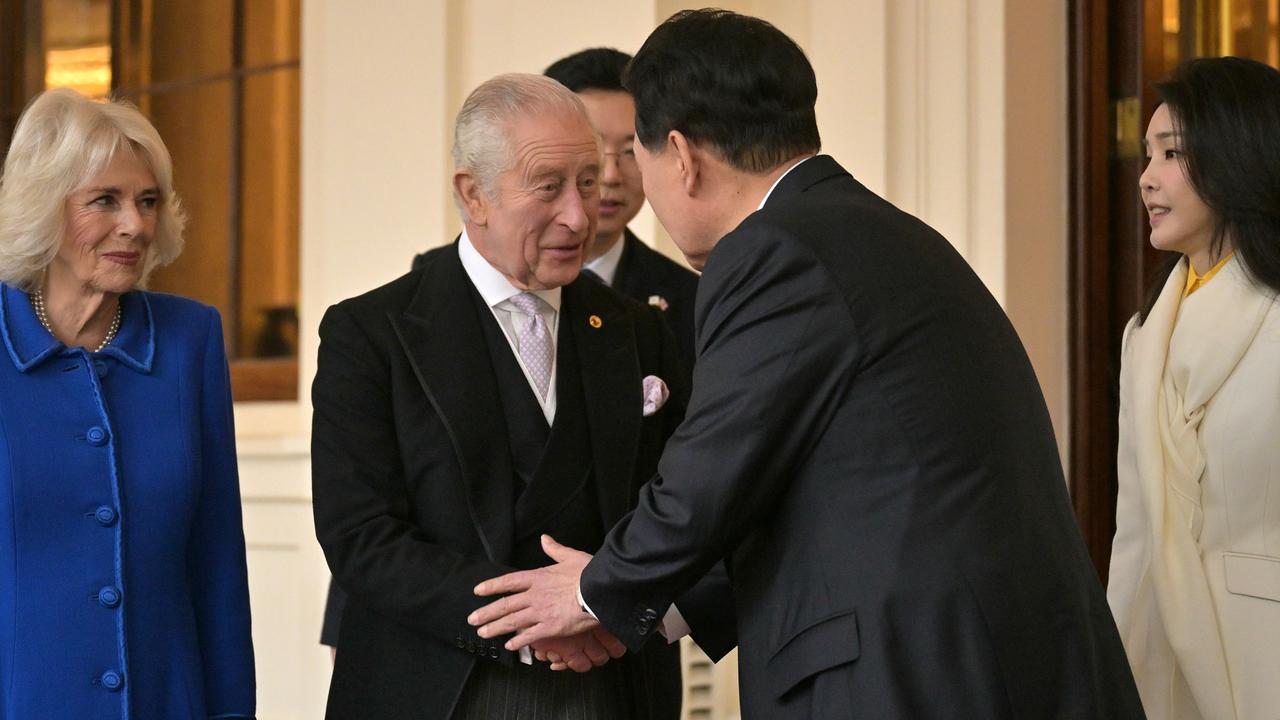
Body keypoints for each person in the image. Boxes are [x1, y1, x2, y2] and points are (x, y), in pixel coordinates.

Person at [469, 10, 1145, 719]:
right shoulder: (872, 231)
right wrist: (652, 606)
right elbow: (797, 482)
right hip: (984, 659)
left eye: (636, 159)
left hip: (915, 672)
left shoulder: (772, 252)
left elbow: (715, 468)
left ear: (681, 155)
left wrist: (589, 591)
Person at [312, 73, 704, 720]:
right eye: (549, 186)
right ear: (474, 193)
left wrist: (597, 602)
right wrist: (532, 617)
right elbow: (362, 536)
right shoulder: (372, 333)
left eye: (586, 181)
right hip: (435, 683)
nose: (579, 214)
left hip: (608, 680)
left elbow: (682, 504)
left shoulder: (637, 331)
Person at [0, 88, 255, 718]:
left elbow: (217, 557)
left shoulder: (189, 338)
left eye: (147, 202)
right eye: (104, 201)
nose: (135, 225)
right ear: (43, 206)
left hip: (169, 700)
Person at [1107, 56, 1280, 720]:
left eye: (1172, 153)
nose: (1146, 179)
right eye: (1146, 155)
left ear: (1237, 155)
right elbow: (1135, 541)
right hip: (1166, 662)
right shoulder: (1143, 337)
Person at [544, 47, 699, 373]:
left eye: (631, 150)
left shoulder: (691, 298)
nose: (611, 175)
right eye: (594, 150)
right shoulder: (450, 281)